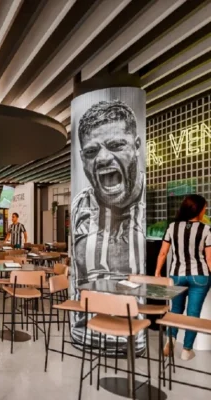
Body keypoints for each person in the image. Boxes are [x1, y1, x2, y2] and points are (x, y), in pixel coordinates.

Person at [72, 100, 146, 282]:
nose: (103, 158)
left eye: (116, 145)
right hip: (90, 300)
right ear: (82, 158)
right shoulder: (80, 205)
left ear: (136, 146)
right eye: (91, 151)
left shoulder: (151, 201)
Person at [155, 194, 211, 361]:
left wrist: (157, 272)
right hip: (199, 276)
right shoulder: (206, 229)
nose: (205, 210)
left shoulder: (172, 227)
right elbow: (209, 258)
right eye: (204, 207)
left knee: (175, 310)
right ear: (198, 209)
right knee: (193, 313)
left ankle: (170, 340)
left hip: (177, 275)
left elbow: (163, 252)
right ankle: (186, 350)